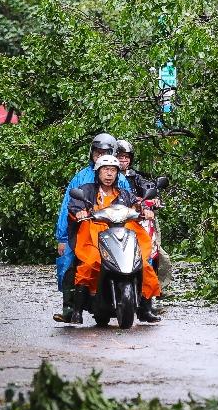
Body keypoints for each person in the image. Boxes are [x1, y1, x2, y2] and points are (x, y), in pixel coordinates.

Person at [67, 154, 161, 323]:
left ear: (118, 173)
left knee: (144, 264)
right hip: (95, 233)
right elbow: (75, 205)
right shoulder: (87, 190)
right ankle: (77, 310)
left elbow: (137, 205)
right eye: (105, 170)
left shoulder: (124, 193)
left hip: (123, 231)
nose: (109, 174)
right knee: (90, 263)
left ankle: (146, 308)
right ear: (98, 172)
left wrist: (145, 210)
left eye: (112, 170)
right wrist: (79, 211)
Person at [54, 133, 131, 322]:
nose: (100, 156)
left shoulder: (120, 180)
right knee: (70, 261)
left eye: (105, 152)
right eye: (97, 152)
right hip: (86, 230)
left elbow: (131, 201)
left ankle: (146, 302)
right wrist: (62, 237)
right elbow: (68, 207)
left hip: (114, 230)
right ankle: (70, 308)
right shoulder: (81, 178)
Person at [115, 139, 173, 286]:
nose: (123, 160)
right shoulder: (105, 176)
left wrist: (154, 200)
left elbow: (149, 188)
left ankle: (157, 286)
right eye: (120, 156)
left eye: (126, 157)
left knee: (156, 251)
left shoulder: (135, 176)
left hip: (140, 217)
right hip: (117, 219)